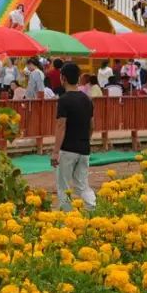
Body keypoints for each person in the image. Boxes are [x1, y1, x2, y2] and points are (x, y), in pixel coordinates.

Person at [51, 62, 96, 211]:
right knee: (82, 185)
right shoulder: (87, 99)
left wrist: (55, 151)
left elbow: (61, 126)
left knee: (63, 186)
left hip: (67, 149)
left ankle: (67, 218)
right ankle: (92, 208)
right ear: (78, 78)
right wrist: (85, 140)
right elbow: (92, 126)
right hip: (84, 148)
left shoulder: (63, 100)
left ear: (62, 78)